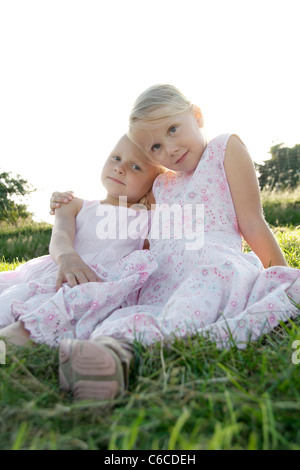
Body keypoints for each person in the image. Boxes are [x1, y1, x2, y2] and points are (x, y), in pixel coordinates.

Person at [51, 84, 300, 402]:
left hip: (213, 264)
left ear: (196, 115)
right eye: (155, 147)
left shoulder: (224, 149)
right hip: (163, 276)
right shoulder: (160, 183)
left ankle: (149, 348)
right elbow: (121, 215)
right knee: (128, 315)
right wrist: (68, 202)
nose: (169, 149)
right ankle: (108, 356)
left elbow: (252, 222)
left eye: (173, 129)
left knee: (198, 295)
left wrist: (281, 278)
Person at [0, 134, 166, 400]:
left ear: (152, 184)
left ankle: (9, 345)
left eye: (136, 167)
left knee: (48, 312)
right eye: (116, 157)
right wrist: (67, 257)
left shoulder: (147, 219)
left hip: (94, 286)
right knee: (14, 300)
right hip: (59, 272)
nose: (120, 167)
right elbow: (60, 238)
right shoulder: (75, 204)